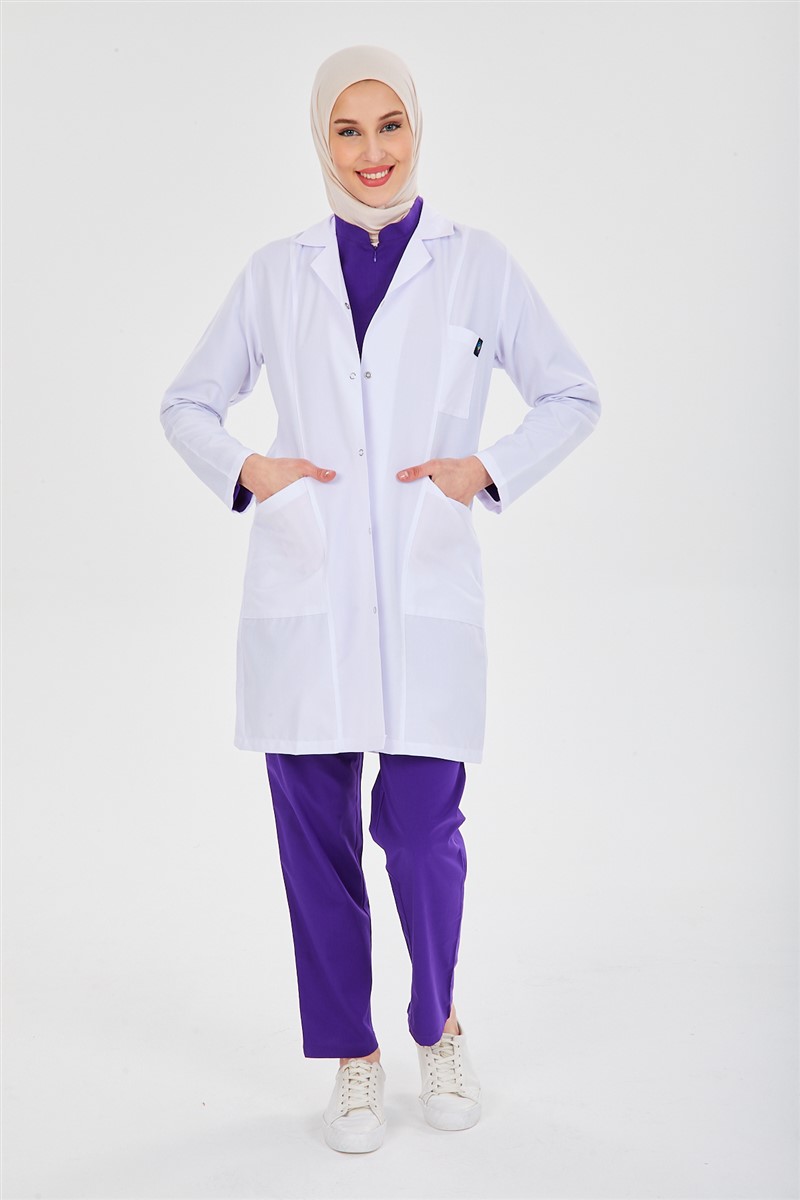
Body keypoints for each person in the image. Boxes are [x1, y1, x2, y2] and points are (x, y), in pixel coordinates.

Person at [159, 44, 601, 1155]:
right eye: (347, 130)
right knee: (315, 841)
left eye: (389, 125)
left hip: (422, 584)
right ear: (321, 140)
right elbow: (187, 404)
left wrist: (486, 468)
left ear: (417, 130)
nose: (372, 152)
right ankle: (352, 1055)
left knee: (420, 829)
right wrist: (251, 471)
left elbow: (570, 391)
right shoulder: (276, 273)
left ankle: (437, 1022)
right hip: (307, 593)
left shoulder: (477, 264)